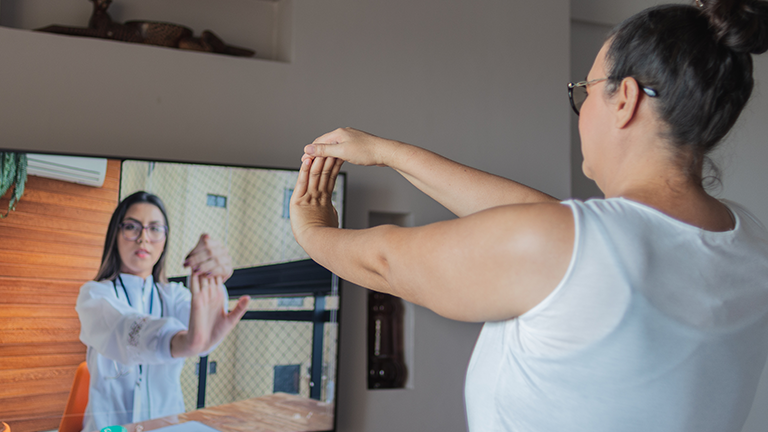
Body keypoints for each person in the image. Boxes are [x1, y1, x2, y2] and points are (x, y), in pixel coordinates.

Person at [289, 1, 768, 431]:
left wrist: (311, 231)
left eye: (585, 90)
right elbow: (549, 224)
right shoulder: (748, 242)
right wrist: (387, 152)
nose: (580, 111)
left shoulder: (575, 246)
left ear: (625, 99)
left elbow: (386, 263)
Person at [75, 191, 250, 432]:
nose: (143, 238)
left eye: (155, 228)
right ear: (115, 233)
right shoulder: (94, 295)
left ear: (165, 239)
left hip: (167, 426)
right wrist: (181, 341)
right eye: (131, 227)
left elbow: (202, 337)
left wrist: (212, 279)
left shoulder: (175, 295)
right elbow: (124, 328)